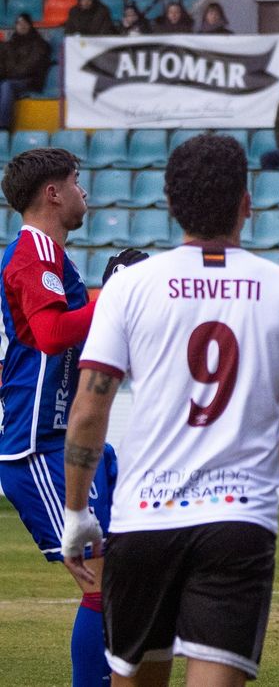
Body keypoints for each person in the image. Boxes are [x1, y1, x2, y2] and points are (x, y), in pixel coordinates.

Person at [59, 135, 279, 687]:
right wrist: (255, 474)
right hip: (238, 521)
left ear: (169, 201)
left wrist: (76, 510)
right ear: (246, 203)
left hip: (143, 519)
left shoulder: (129, 287)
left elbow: (89, 409)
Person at [0, 149, 141, 687]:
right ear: (52, 193)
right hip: (37, 443)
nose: (87, 192)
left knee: (128, 573)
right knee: (105, 589)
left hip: (70, 442)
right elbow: (56, 333)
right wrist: (117, 296)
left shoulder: (51, 257)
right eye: (77, 182)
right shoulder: (33, 253)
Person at [0, 14, 51, 129]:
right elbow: (3, 64)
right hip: (11, 78)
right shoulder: (9, 44)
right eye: (19, 23)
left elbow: (30, 66)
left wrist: (9, 73)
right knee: (5, 83)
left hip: (29, 80)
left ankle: (3, 127)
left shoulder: (39, 44)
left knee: (7, 86)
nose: (22, 26)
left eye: (25, 23)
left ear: (30, 25)